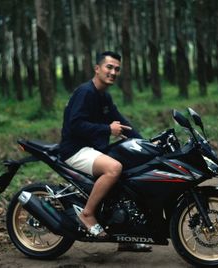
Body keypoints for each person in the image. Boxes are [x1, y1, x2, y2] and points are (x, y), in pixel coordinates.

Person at [59, 51, 151, 252]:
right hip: (75, 149)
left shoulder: (104, 97)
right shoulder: (85, 92)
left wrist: (148, 145)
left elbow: (124, 125)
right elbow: (75, 125)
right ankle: (87, 214)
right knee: (114, 168)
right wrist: (107, 129)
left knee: (131, 169)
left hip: (95, 149)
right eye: (109, 67)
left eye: (117, 69)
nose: (113, 72)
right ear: (97, 68)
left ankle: (125, 236)